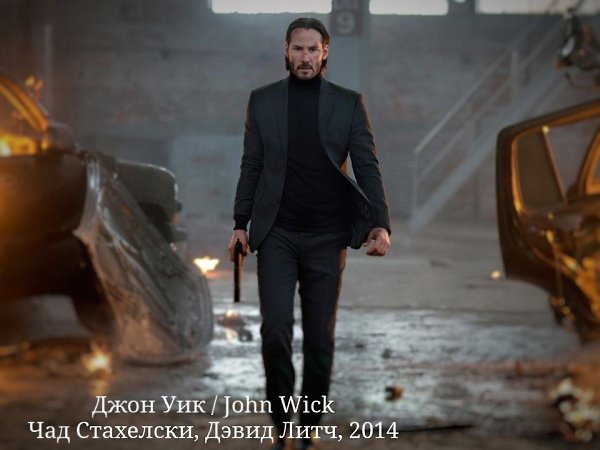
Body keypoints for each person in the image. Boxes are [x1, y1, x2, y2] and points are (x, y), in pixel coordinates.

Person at [228, 17, 391, 450]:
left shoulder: (349, 103)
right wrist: (240, 224)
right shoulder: (262, 101)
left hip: (327, 235)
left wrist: (380, 222)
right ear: (286, 51)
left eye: (312, 49)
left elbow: (367, 165)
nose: (305, 57)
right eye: (297, 49)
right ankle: (283, 425)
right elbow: (251, 165)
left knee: (320, 336)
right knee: (275, 330)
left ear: (325, 53)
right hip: (276, 234)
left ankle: (309, 425)